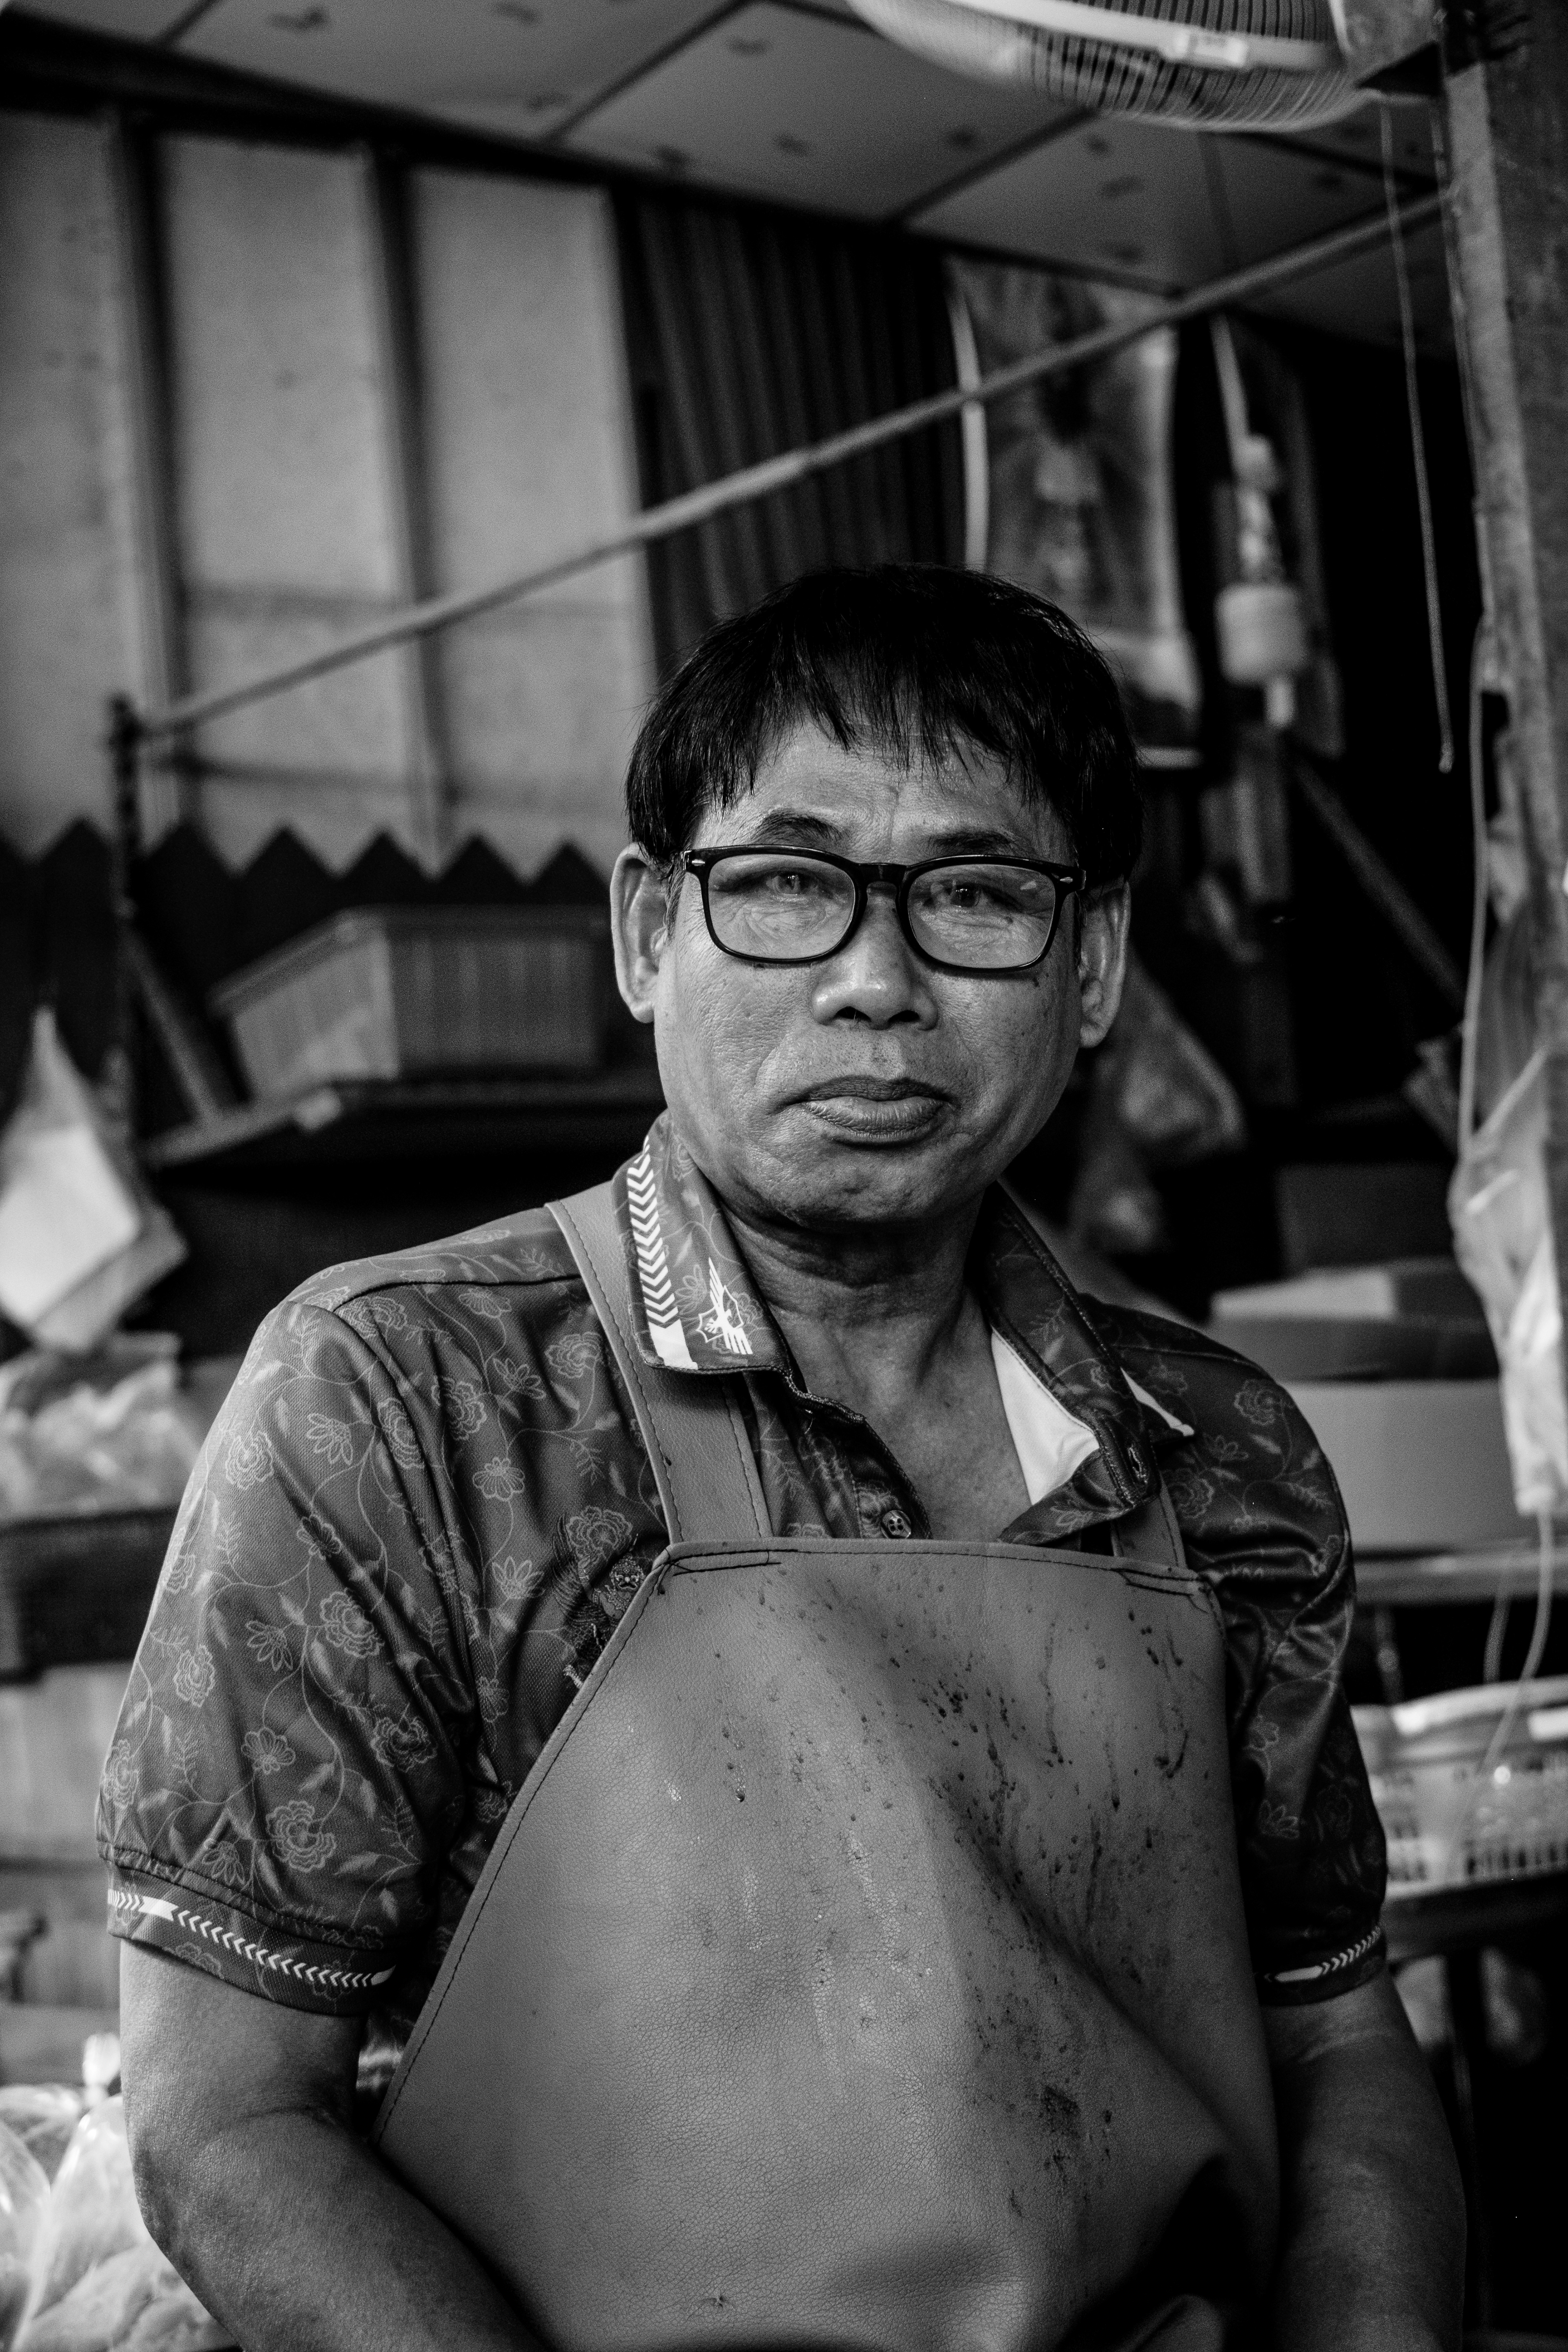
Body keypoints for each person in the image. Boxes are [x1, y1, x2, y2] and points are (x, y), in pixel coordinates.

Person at [102, 566, 1462, 2352]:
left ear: (1095, 966)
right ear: (646, 935)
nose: (877, 983)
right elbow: (224, 2124)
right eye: (787, 887)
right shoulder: (406, 1401)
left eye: (977, 894)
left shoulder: (1220, 1458)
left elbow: (1339, 2039)